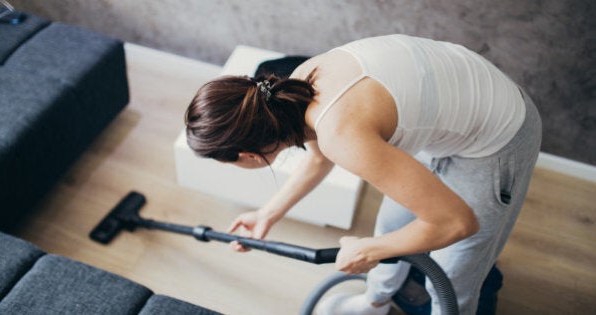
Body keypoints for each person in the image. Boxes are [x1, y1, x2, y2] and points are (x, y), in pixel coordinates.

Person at [185, 34, 542, 315]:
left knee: (451, 277)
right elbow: (318, 159)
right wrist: (268, 214)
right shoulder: (292, 89)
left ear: (247, 155)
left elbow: (457, 223)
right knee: (392, 225)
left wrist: (369, 250)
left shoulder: (342, 135)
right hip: (453, 122)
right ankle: (375, 304)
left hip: (499, 139)